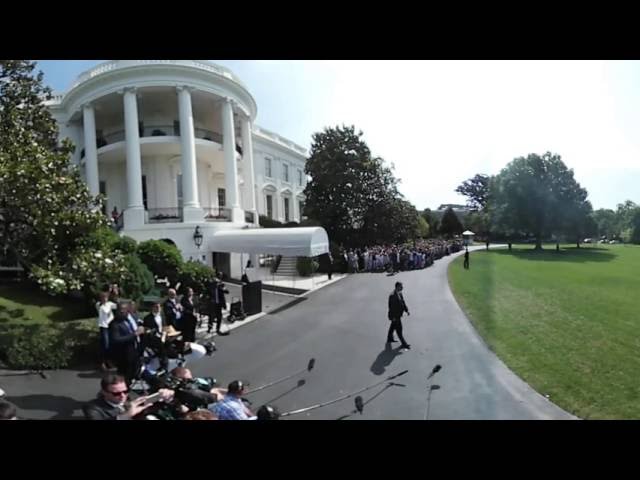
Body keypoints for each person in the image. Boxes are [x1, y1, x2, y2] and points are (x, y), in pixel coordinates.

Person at [82, 373, 173, 420]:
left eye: (125, 391)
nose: (123, 396)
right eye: (116, 393)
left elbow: (149, 407)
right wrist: (126, 415)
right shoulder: (93, 408)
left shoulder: (131, 397)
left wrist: (165, 397)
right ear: (104, 392)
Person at [109, 302, 145, 386]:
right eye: (119, 311)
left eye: (124, 311)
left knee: (135, 372)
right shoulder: (114, 324)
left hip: (134, 351)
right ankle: (123, 391)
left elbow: (136, 328)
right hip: (123, 355)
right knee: (125, 376)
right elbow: (116, 339)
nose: (121, 313)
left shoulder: (130, 319)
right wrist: (134, 334)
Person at [96, 291, 117, 370]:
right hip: (103, 326)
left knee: (111, 344)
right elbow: (100, 308)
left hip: (110, 325)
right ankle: (102, 362)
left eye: (106, 297)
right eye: (103, 298)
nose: (104, 299)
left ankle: (109, 361)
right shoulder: (99, 305)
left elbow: (117, 305)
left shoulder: (110, 304)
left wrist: (115, 294)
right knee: (105, 344)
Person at [387, 281, 410, 350]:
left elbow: (403, 302)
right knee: (399, 329)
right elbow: (391, 308)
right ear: (397, 287)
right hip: (395, 315)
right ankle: (404, 344)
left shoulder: (400, 293)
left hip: (398, 315)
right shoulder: (392, 295)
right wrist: (393, 317)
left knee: (393, 326)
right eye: (401, 286)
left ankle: (389, 338)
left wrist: (406, 310)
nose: (402, 287)